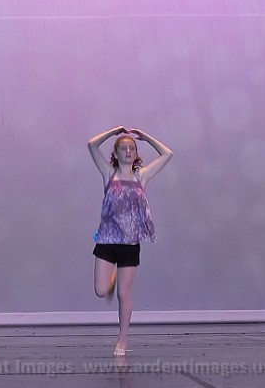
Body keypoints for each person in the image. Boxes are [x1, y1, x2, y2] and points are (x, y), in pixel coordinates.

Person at [88, 126, 173, 356]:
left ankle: (122, 340)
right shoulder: (108, 174)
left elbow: (167, 154)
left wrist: (146, 137)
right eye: (123, 148)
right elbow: (92, 144)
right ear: (115, 154)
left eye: (131, 148)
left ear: (136, 154)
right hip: (106, 241)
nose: (128, 151)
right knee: (101, 290)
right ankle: (111, 277)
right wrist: (114, 132)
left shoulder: (141, 176)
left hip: (130, 245)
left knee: (123, 295)